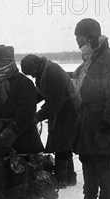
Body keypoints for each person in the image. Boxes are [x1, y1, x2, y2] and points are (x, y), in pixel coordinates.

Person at [68, 18, 110, 199]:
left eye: (79, 36)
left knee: (104, 164)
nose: (76, 40)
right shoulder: (92, 58)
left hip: (104, 123)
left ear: (89, 37)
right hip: (88, 120)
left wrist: (106, 126)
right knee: (88, 160)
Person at [0, 45, 44, 199]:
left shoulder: (24, 83)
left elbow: (27, 112)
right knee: (3, 163)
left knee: (18, 164)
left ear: (8, 61)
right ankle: (6, 195)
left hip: (20, 131)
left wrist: (11, 132)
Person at [20, 54, 80, 188]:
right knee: (63, 143)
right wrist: (28, 103)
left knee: (60, 143)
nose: (33, 76)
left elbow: (56, 101)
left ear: (36, 66)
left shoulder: (52, 72)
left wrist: (37, 117)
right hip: (61, 108)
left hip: (68, 108)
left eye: (32, 73)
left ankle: (61, 179)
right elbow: (42, 92)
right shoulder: (43, 71)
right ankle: (69, 177)